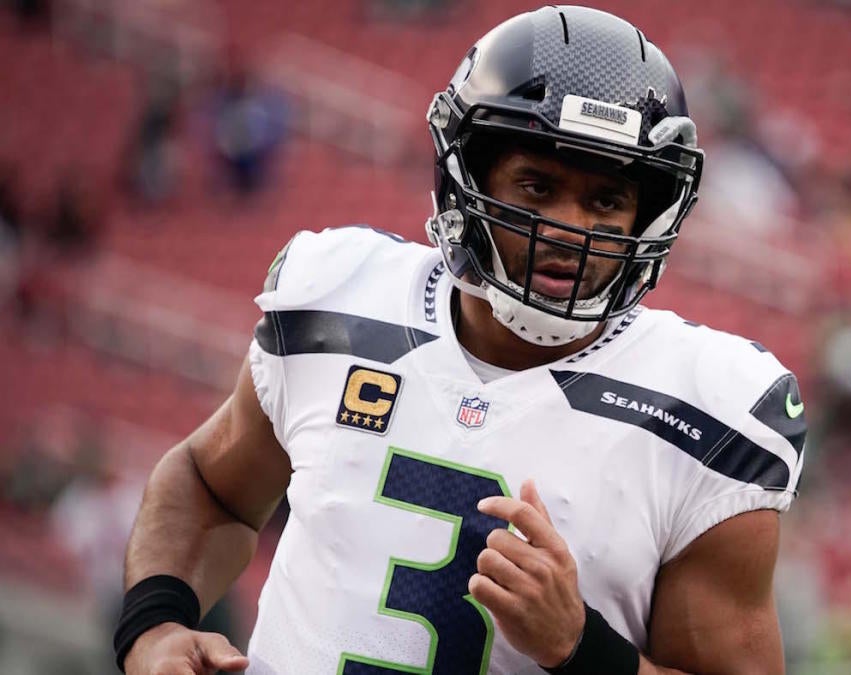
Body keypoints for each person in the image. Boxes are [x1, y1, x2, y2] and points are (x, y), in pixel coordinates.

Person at [115, 6, 806, 674]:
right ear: (465, 177)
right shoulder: (340, 294)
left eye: (604, 200)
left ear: (646, 215)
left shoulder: (705, 409)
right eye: (536, 185)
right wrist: (155, 623)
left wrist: (583, 649)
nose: (568, 227)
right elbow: (210, 484)